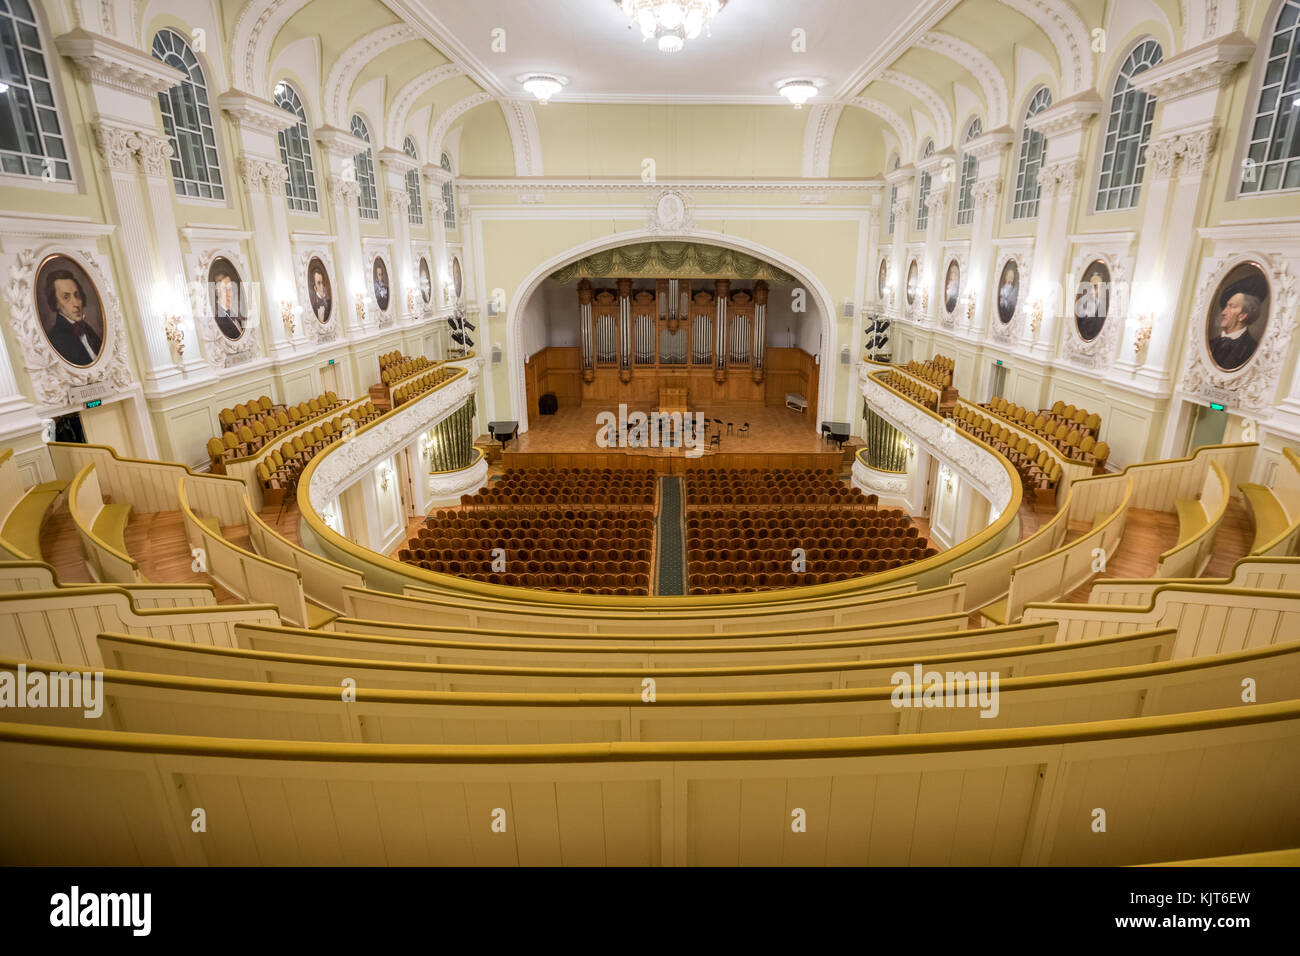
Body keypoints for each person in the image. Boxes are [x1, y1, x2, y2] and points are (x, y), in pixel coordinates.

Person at [43, 269, 102, 366]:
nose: (76, 303)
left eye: (76, 295)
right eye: (66, 297)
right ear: (55, 303)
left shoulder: (87, 329)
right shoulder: (54, 340)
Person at [1209, 292, 1262, 371]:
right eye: (1226, 306)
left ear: (1242, 316)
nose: (1223, 312)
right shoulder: (1209, 344)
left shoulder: (1253, 350)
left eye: (1231, 306)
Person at [1075, 270, 1108, 341]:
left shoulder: (1103, 311)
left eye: (1095, 286)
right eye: (1090, 286)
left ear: (1102, 288)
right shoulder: (1081, 305)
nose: (1092, 289)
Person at [213, 270, 245, 339]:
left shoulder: (232, 314)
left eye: (230, 288)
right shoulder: (219, 320)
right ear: (217, 291)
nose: (230, 293)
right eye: (225, 289)